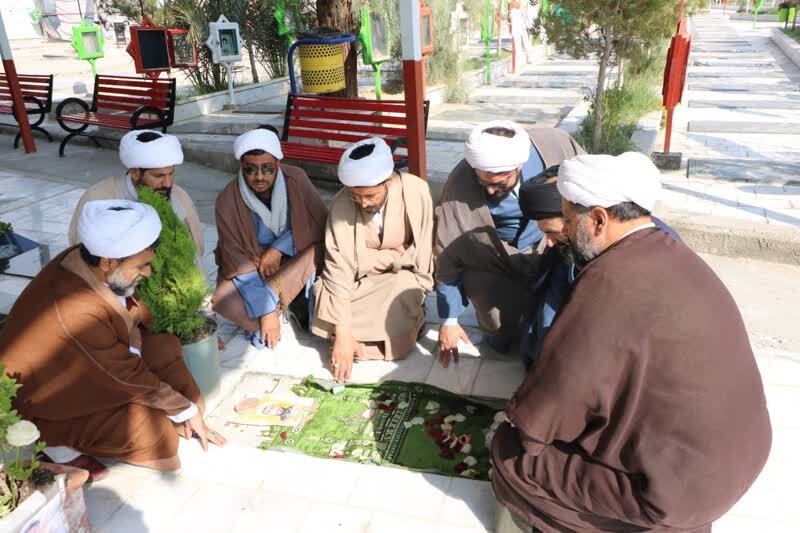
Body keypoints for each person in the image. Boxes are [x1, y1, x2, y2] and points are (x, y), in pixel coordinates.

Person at [491, 152, 772, 533]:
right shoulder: (673, 252)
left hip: (679, 492)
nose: (562, 237)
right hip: (737, 462)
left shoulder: (610, 281)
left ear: (599, 219)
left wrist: (521, 426)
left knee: (511, 455)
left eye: (569, 221)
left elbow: (559, 394)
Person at [0, 200, 225, 481]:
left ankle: (173, 412)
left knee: (165, 347)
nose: (148, 273)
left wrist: (185, 407)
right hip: (50, 398)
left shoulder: (91, 259)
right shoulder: (76, 312)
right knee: (160, 438)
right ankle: (55, 437)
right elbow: (123, 375)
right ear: (108, 262)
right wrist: (181, 410)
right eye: (142, 266)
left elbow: (130, 307)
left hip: (95, 366)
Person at [435, 121, 584, 366]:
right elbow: (446, 254)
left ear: (520, 165)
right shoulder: (459, 186)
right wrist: (448, 319)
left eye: (499, 183)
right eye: (485, 184)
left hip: (553, 244)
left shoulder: (555, 147)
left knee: (554, 321)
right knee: (502, 338)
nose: (491, 191)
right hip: (497, 256)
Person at [517, 164, 681, 367]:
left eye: (553, 231)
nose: (549, 243)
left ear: (592, 220)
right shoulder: (574, 246)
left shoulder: (652, 250)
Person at [312, 138, 434, 382]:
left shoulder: (416, 191)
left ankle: (353, 340)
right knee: (324, 289)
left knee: (403, 290)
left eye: (370, 195)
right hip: (358, 282)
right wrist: (344, 331)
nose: (363, 203)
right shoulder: (342, 202)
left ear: (388, 181)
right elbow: (339, 269)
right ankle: (350, 339)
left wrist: (366, 259)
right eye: (357, 196)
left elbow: (418, 256)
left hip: (401, 276)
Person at [212, 128, 328, 350]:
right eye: (251, 170)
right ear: (241, 168)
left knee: (317, 251)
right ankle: (274, 306)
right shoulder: (227, 200)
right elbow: (236, 260)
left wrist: (277, 249)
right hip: (252, 269)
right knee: (223, 299)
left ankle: (278, 302)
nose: (259, 177)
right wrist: (266, 313)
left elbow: (317, 223)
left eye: (267, 168)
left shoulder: (296, 179)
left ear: (278, 164)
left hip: (294, 258)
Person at [68, 130, 205, 260]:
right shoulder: (97, 199)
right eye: (159, 176)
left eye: (171, 173)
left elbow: (196, 250)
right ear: (135, 172)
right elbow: (84, 260)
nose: (168, 184)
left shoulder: (179, 196)